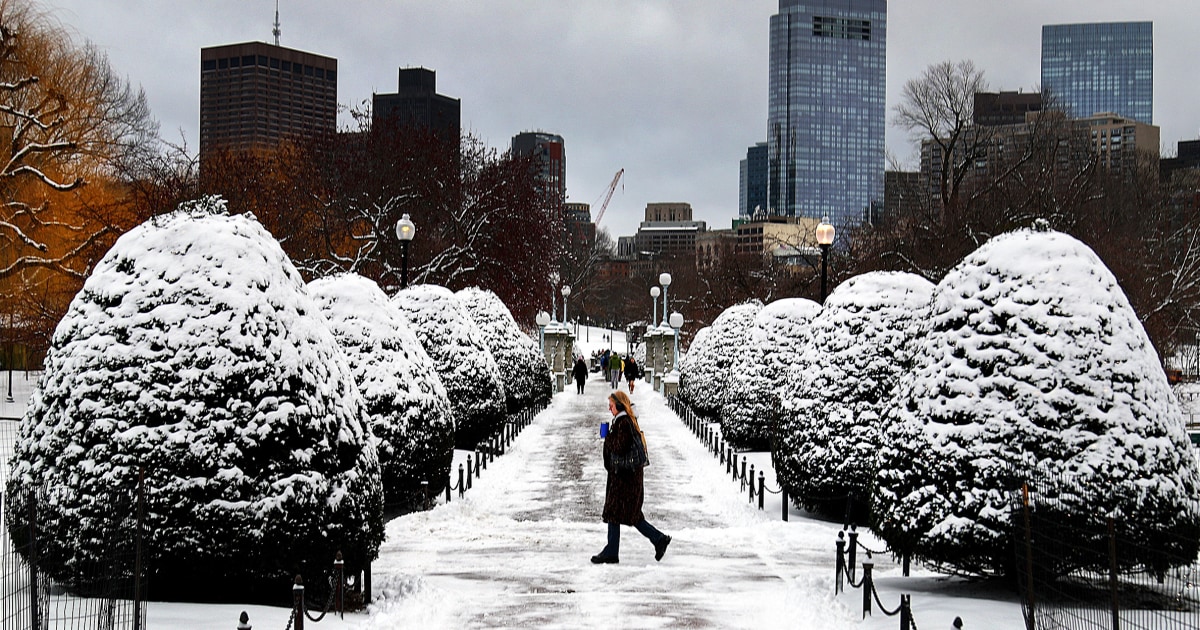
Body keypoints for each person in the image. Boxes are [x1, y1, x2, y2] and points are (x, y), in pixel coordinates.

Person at [591, 391, 671, 564]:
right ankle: (657, 539)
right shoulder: (624, 421)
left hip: (625, 479)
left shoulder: (624, 423)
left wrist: (607, 437)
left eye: (611, 405)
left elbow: (619, 447)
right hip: (626, 477)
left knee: (620, 514)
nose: (609, 409)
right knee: (628, 514)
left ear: (619, 406)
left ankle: (614, 551)